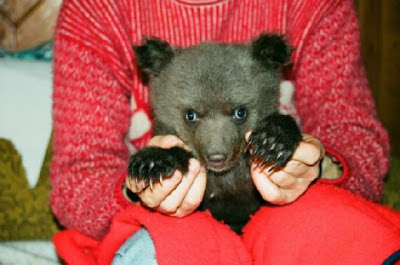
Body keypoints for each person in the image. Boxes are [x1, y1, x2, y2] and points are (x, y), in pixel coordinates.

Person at [50, 0, 400, 264]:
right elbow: (75, 184)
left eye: (238, 114)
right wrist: (140, 185)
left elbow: (356, 142)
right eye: (191, 116)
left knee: (338, 230)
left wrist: (314, 164)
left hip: (287, 215)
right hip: (176, 228)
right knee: (166, 244)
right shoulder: (97, 9)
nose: (216, 149)